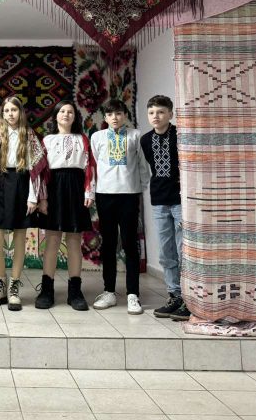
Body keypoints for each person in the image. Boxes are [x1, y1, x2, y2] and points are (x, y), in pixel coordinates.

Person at [0, 96, 48, 311]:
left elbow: (35, 171)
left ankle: (14, 288)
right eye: (7, 110)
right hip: (2, 185)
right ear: (2, 114)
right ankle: (0, 285)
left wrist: (33, 197)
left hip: (22, 185)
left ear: (20, 112)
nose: (10, 114)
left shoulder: (29, 137)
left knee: (20, 236)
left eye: (14, 110)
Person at [34, 101, 96, 310]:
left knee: (74, 240)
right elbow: (41, 173)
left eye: (70, 112)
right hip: (54, 189)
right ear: (55, 116)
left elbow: (90, 167)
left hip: (76, 188)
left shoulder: (83, 139)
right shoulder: (47, 140)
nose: (66, 114)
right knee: (52, 240)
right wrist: (43, 198)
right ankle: (46, 290)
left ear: (75, 116)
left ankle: (75, 291)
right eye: (62, 111)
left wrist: (89, 192)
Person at [90, 99, 150, 315]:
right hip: (105, 195)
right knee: (108, 244)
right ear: (105, 117)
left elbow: (143, 165)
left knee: (130, 243)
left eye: (118, 113)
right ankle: (109, 291)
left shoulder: (135, 136)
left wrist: (140, 188)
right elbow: (95, 165)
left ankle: (133, 293)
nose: (114, 117)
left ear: (125, 115)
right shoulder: (97, 137)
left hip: (129, 196)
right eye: (110, 114)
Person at [140, 95, 190, 321]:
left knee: (183, 250)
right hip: (159, 201)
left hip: (180, 200)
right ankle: (174, 296)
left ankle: (189, 298)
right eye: (151, 113)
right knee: (165, 251)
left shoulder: (180, 135)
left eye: (161, 112)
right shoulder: (145, 140)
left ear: (170, 113)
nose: (156, 117)